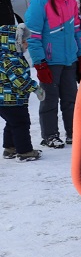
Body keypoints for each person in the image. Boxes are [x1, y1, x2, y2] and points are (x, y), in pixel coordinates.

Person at [25, 0, 81, 148]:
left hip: (69, 59)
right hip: (50, 62)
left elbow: (77, 31)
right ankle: (50, 135)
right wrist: (40, 63)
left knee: (71, 100)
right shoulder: (39, 2)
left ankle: (72, 133)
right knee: (49, 101)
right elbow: (33, 37)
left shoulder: (69, 0)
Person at [1, 23, 44, 161]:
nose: (26, 44)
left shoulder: (6, 57)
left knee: (12, 123)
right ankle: (24, 151)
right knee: (21, 124)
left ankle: (10, 148)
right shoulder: (11, 60)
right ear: (13, 43)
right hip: (12, 99)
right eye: (23, 41)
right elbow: (19, 80)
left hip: (6, 101)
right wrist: (35, 88)